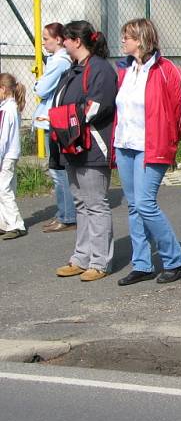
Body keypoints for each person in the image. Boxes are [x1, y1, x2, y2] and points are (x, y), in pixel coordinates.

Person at [114, 19, 181, 285]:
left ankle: (175, 258)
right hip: (125, 145)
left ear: (141, 39)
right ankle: (142, 263)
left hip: (152, 148)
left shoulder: (166, 69)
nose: (123, 40)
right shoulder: (124, 70)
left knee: (146, 204)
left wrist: (170, 137)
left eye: (127, 36)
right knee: (134, 206)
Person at [53, 21, 118, 282]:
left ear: (76, 41)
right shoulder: (73, 69)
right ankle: (81, 257)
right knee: (81, 203)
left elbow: (96, 106)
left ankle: (100, 261)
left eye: (65, 39)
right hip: (72, 145)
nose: (62, 44)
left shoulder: (100, 69)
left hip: (92, 147)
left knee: (95, 204)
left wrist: (64, 119)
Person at [33, 22, 77, 232]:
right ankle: (63, 212)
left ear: (58, 39)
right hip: (52, 120)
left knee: (59, 170)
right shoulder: (56, 60)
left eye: (47, 39)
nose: (43, 43)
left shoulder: (59, 61)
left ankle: (68, 216)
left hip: (55, 121)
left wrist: (36, 85)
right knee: (56, 169)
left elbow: (41, 89)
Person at [0, 74, 27, 240]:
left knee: (4, 190)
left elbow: (2, 138)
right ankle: (4, 223)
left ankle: (16, 224)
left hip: (6, 155)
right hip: (13, 153)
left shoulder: (5, 110)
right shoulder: (14, 107)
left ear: (3, 89)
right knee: (6, 188)